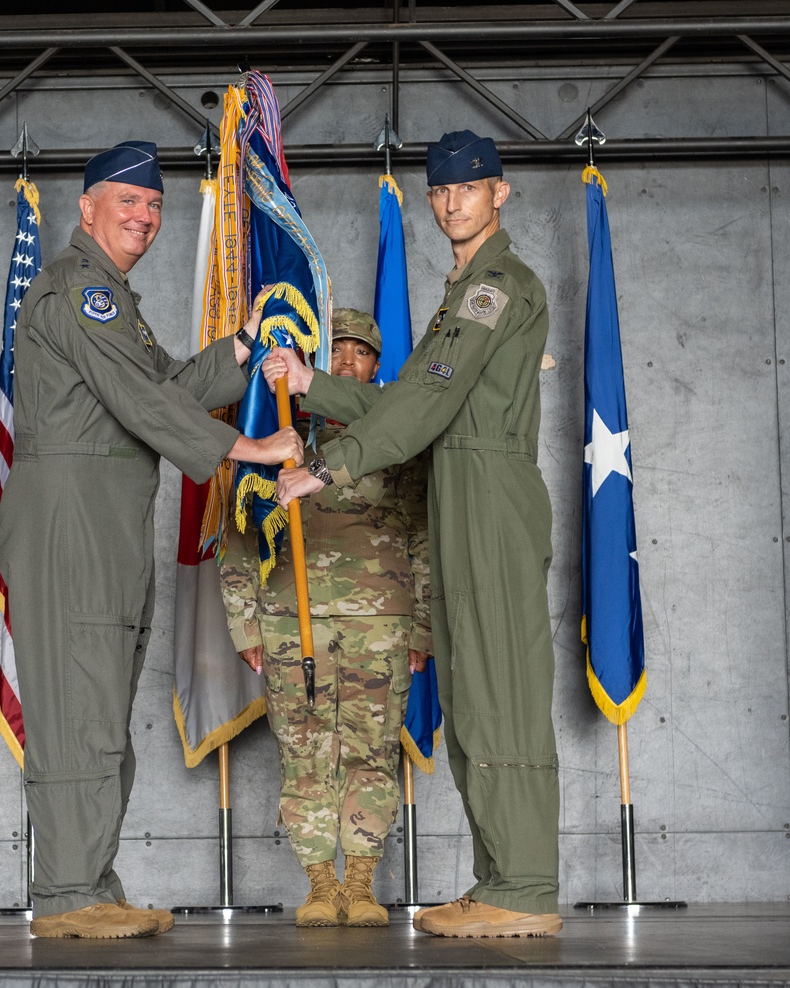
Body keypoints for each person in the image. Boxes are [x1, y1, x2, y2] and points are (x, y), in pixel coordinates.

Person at [0, 140, 302, 940]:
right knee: (76, 707)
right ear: (87, 207)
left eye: (157, 206)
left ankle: (91, 882)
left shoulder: (114, 300)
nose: (145, 217)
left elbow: (165, 386)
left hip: (103, 517)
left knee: (100, 706)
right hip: (72, 520)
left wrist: (242, 345)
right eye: (128, 202)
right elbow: (145, 404)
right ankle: (66, 895)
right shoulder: (76, 293)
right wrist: (250, 449)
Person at [265, 131, 561, 938]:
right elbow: (409, 400)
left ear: (501, 195)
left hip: (491, 497)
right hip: (460, 495)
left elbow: (424, 404)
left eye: (468, 189)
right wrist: (313, 384)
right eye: (439, 191)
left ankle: (527, 887)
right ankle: (501, 879)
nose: (450, 202)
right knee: (472, 705)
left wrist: (329, 469)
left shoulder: (494, 288)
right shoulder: (458, 291)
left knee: (501, 699)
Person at [221, 309, 432, 928]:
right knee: (304, 751)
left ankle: (362, 882)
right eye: (334, 351)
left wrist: (422, 626)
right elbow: (240, 528)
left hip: (380, 623)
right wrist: (245, 622)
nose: (345, 363)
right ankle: (319, 884)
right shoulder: (277, 429)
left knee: (371, 752)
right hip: (292, 619)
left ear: (376, 364)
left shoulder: (399, 433)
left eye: (359, 353)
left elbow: (423, 533)